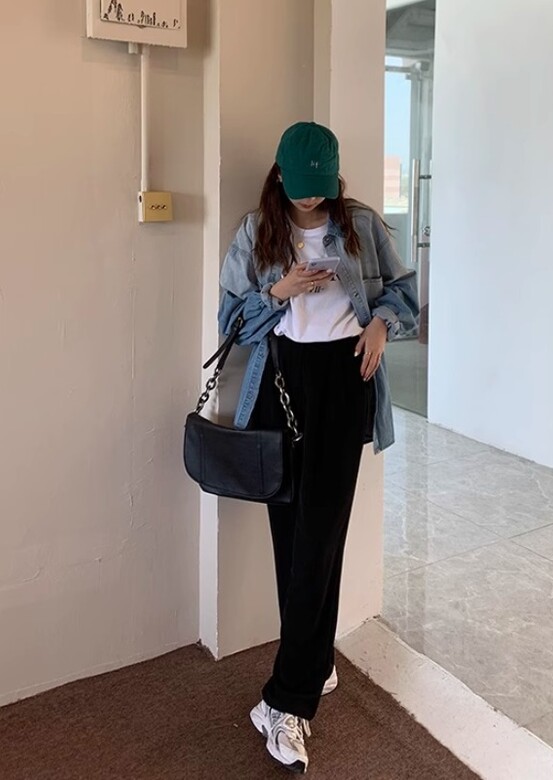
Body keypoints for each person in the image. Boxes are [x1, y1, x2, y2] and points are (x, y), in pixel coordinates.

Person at [217, 121, 419, 774]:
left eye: (320, 188)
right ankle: (316, 659)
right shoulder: (258, 231)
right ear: (279, 175)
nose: (311, 199)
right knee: (292, 538)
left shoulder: (360, 224)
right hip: (280, 383)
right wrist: (279, 291)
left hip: (344, 379)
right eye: (301, 187)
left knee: (321, 536)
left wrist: (382, 325)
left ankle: (286, 701)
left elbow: (405, 292)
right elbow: (230, 321)